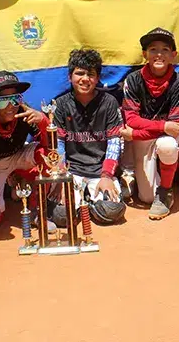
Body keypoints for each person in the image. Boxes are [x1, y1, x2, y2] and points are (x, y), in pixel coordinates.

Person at [50, 49, 127, 227]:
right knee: (62, 216)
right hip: (72, 171)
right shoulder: (60, 105)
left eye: (91, 74)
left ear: (98, 78)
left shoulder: (109, 102)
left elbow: (114, 142)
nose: (85, 79)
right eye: (79, 73)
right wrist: (62, 177)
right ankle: (80, 201)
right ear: (70, 77)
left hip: (99, 171)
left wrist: (107, 175)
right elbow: (58, 144)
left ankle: (89, 201)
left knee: (111, 211)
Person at [122, 27, 179, 220]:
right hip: (145, 137)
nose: (159, 54)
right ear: (144, 54)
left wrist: (135, 134)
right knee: (146, 197)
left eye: (165, 49)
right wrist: (162, 127)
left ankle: (166, 190)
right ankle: (131, 176)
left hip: (147, 135)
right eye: (153, 49)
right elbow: (131, 119)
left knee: (168, 144)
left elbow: (175, 127)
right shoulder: (133, 79)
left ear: (173, 55)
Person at [0, 71, 54, 229]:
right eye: (1, 101)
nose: (11, 106)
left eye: (15, 98)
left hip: (18, 155)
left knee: (47, 157)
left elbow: (51, 148)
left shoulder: (25, 111)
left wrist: (44, 122)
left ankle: (35, 209)